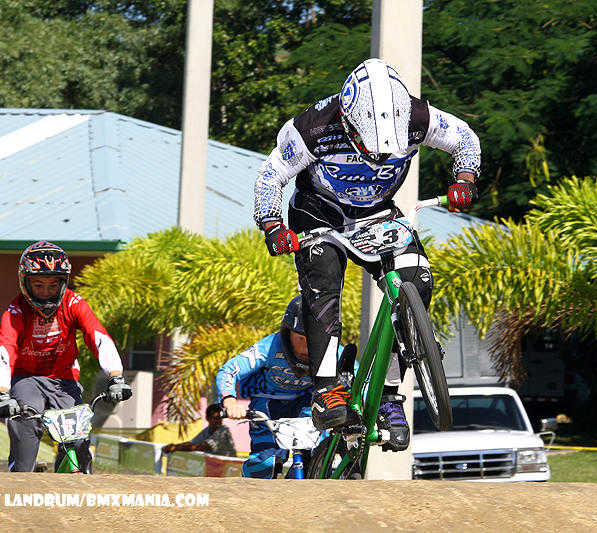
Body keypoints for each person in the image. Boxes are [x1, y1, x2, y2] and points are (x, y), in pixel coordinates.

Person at [253, 58, 481, 451]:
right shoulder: (312, 126)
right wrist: (273, 225)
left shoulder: (418, 117)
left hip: (377, 214)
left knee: (416, 277)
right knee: (323, 278)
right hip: (318, 214)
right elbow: (270, 176)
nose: (376, 157)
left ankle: (389, 395)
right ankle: (326, 390)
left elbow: (466, 139)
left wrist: (465, 178)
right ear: (347, 119)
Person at [0, 241, 132, 472]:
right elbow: (3, 350)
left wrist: (116, 378)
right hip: (26, 379)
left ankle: (75, 478)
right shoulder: (15, 311)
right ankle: (19, 478)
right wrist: (2, 394)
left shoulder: (74, 304)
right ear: (25, 282)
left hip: (64, 381)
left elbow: (98, 338)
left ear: (63, 283)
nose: (46, 292)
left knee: (79, 439)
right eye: (38, 285)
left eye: (53, 285)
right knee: (25, 421)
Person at [216, 296, 355, 478]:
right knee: (265, 464)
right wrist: (229, 401)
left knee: (320, 459)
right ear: (287, 332)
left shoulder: (332, 351)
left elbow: (360, 379)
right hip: (267, 404)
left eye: (313, 339)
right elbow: (229, 370)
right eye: (300, 338)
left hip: (308, 403)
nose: (306, 347)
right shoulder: (269, 346)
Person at [162, 403, 236, 457]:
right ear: (207, 418)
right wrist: (174, 446)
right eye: (214, 418)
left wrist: (175, 448)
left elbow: (201, 447)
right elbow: (192, 443)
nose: (218, 421)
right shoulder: (207, 431)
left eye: (219, 418)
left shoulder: (223, 431)